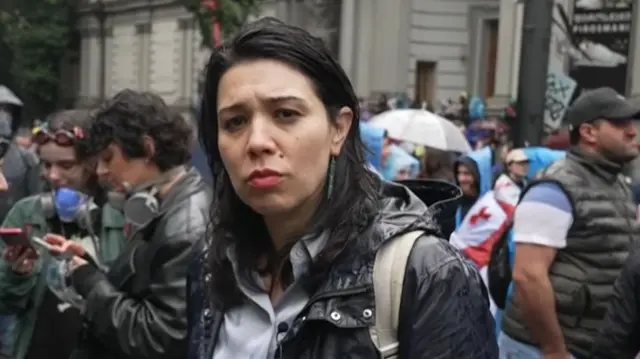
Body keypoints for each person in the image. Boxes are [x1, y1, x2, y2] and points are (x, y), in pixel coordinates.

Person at [186, 18, 497, 359]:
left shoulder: (426, 274)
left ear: (339, 129)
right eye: (235, 122)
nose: (257, 142)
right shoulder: (210, 263)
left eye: (286, 114)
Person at [46, 90, 210, 359]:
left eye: (108, 158)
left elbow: (160, 339)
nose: (100, 171)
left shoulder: (185, 226)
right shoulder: (164, 203)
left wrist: (90, 282)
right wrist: (87, 264)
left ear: (147, 148)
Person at [500, 87, 640, 359]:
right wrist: (554, 350)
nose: (632, 131)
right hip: (543, 350)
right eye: (620, 123)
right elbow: (528, 275)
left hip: (590, 347)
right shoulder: (553, 188)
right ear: (589, 132)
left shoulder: (618, 185)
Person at [0, 110, 126, 359]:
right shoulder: (27, 213)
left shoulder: (121, 217)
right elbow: (5, 302)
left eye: (66, 165)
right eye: (47, 165)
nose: (53, 176)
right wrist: (17, 275)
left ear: (94, 163)